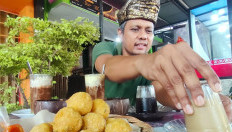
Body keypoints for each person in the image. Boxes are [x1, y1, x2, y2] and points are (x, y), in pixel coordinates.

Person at [92, 0, 232, 119]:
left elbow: (162, 90)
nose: (143, 36)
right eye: (135, 29)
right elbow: (107, 66)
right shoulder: (106, 47)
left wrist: (203, 99)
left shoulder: (152, 65)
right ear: (121, 34)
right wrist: (142, 63)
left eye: (149, 31)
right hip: (98, 122)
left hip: (134, 130)